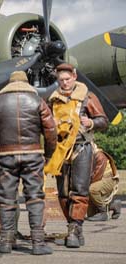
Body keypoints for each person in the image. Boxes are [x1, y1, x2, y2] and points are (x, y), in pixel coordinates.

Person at [0, 70, 57, 255]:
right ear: (26, 82)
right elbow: (51, 130)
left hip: (7, 155)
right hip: (33, 155)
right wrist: (48, 153)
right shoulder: (37, 100)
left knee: (6, 199)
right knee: (35, 197)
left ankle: (5, 242)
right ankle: (38, 244)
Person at [47, 63, 108, 248]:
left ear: (74, 76)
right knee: (63, 193)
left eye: (67, 79)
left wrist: (90, 122)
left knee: (79, 190)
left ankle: (75, 229)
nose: (64, 83)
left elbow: (103, 121)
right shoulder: (53, 100)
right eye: (61, 80)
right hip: (60, 150)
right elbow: (47, 128)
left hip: (82, 147)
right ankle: (72, 227)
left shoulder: (88, 97)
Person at [87, 145, 121, 221]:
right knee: (91, 214)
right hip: (100, 180)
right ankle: (114, 205)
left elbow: (97, 175)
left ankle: (103, 213)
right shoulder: (89, 156)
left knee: (92, 189)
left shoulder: (99, 155)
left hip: (108, 180)